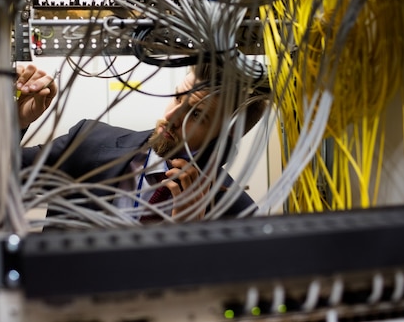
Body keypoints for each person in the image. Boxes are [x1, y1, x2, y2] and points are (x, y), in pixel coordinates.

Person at [15, 62, 270, 223]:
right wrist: (15, 121)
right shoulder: (87, 142)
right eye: (178, 98)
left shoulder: (238, 214)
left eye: (196, 115)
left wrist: (188, 244)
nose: (170, 117)